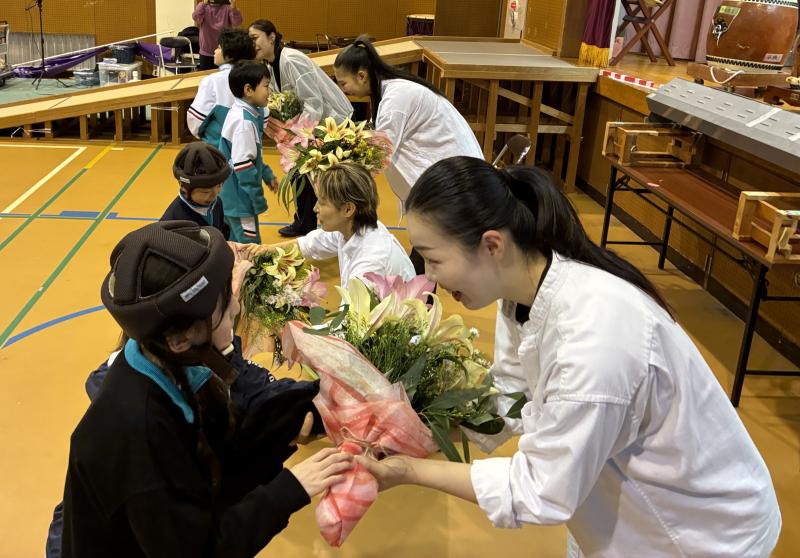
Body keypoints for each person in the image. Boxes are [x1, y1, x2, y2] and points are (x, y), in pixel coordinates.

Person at [355, 157, 782, 557]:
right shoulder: (522, 292)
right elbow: (511, 396)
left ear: (492, 246)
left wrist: (409, 470)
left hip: (696, 532)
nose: (428, 278)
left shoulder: (595, 336)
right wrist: (423, 433)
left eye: (433, 259)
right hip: (624, 507)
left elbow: (541, 489)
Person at [60, 220, 352, 557]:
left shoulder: (165, 363)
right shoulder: (138, 433)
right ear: (181, 338)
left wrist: (298, 416)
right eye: (225, 309)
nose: (237, 309)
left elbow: (224, 443)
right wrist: (290, 489)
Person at [333, 36, 484, 274]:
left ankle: (421, 302)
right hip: (442, 176)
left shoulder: (396, 96)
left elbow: (378, 153)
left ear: (362, 76)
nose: (342, 90)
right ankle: (421, 299)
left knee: (426, 253)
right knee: (425, 251)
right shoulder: (389, 90)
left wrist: (335, 165)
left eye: (343, 83)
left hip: (453, 178)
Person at [249, 19, 353, 238]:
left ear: (272, 36)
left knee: (319, 176)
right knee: (300, 174)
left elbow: (314, 102)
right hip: (307, 125)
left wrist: (298, 136)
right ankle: (305, 222)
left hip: (330, 121)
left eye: (255, 38)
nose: (253, 44)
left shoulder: (291, 59)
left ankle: (319, 225)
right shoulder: (270, 64)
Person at [243, 162, 414, 288]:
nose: (315, 208)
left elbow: (351, 327)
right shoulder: (353, 228)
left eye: (323, 203)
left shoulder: (370, 265)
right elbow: (312, 244)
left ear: (348, 209)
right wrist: (262, 250)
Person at [219, 60, 276, 244]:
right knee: (249, 247)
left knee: (233, 244)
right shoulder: (245, 122)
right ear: (248, 90)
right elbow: (243, 166)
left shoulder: (242, 112)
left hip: (232, 197)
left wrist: (266, 174)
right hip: (240, 200)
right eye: (266, 86)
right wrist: (257, 199)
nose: (269, 91)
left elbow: (251, 157)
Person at [187, 28, 256, 146]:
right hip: (248, 146)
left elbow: (195, 120)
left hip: (218, 148)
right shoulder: (255, 78)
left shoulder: (212, 81)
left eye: (219, 47)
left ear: (229, 55)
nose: (215, 51)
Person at [161, 142, 231, 239]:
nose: (215, 194)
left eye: (219, 186)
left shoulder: (216, 203)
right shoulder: (173, 220)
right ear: (184, 188)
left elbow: (221, 232)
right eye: (205, 192)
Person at [192, 0, 243, 71]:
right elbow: (196, 18)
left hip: (223, 51)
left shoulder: (227, 7)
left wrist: (234, 8)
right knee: (205, 77)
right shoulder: (204, 6)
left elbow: (237, 23)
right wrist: (203, 4)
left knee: (224, 77)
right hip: (206, 52)